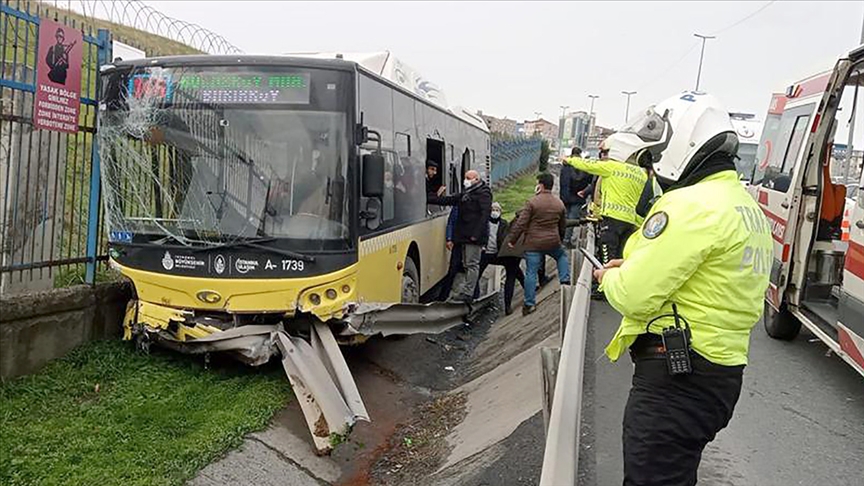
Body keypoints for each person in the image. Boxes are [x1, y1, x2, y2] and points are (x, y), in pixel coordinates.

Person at [592, 91, 773, 486]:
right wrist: (637, 266)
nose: (654, 168)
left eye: (655, 157)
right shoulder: (746, 208)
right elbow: (707, 279)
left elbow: (635, 295)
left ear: (681, 145)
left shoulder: (689, 204)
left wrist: (610, 277)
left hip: (676, 379)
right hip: (720, 375)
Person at [563, 135, 648, 266]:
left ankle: (604, 285)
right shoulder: (641, 173)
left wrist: (569, 160)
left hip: (612, 220)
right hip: (631, 223)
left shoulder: (612, 167)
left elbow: (588, 165)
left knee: (607, 261)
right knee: (621, 260)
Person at [507, 172, 570, 315]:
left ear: (540, 185)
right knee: (562, 257)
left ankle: (529, 304)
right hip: (552, 241)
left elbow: (521, 223)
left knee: (531, 272)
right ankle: (565, 281)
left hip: (533, 244)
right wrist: (560, 238)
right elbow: (562, 226)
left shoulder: (532, 202)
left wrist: (512, 240)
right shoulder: (559, 203)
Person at [428, 170, 492, 303]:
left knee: (471, 264)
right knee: (467, 263)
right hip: (464, 235)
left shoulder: (484, 194)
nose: (466, 180)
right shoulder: (467, 193)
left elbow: (484, 215)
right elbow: (450, 200)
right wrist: (431, 198)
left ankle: (469, 294)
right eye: (465, 178)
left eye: (468, 178)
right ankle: (468, 292)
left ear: (476, 179)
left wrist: (476, 234)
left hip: (473, 237)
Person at [471, 202, 526, 315]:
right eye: (493, 209)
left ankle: (508, 306)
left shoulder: (504, 224)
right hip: (488, 254)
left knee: (513, 273)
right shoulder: (484, 223)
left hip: (503, 254)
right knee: (477, 273)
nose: (494, 212)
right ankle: (474, 297)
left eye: (497, 210)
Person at [560, 147, 592, 246]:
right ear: (580, 154)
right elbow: (590, 181)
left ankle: (561, 239)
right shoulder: (583, 166)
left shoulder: (565, 166)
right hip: (578, 196)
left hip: (565, 196)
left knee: (563, 218)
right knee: (572, 219)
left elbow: (562, 181)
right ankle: (566, 240)